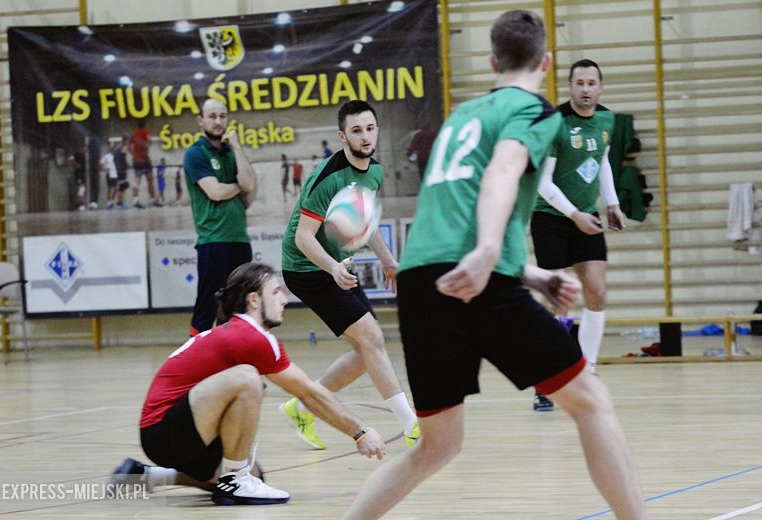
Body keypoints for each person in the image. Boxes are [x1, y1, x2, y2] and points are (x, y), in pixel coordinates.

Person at [341, 11, 647, 520]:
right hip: (475, 278)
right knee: (592, 402)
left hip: (421, 280)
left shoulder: (462, 116)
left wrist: (527, 272)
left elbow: (451, 213)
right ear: (547, 63)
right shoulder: (537, 111)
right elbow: (503, 173)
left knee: (437, 445)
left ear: (491, 62)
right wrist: (487, 254)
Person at [109, 262, 386, 506]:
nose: (284, 299)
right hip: (163, 431)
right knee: (247, 379)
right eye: (276, 292)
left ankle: (146, 476)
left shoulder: (239, 332)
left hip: (187, 433)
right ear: (253, 300)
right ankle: (234, 479)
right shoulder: (250, 335)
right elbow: (308, 393)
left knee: (256, 476)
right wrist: (359, 432)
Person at [280, 100, 420, 450]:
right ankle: (412, 425)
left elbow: (364, 222)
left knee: (366, 353)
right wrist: (333, 268)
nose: (365, 136)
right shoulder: (328, 180)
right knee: (372, 338)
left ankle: (303, 406)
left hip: (335, 266)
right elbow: (303, 237)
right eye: (356, 130)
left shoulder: (374, 172)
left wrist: (389, 261)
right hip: (306, 267)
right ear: (343, 136)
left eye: (370, 128)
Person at [530, 58, 627, 412]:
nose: (586, 89)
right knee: (558, 300)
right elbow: (541, 182)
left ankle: (587, 371)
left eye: (592, 83)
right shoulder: (555, 124)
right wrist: (574, 216)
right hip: (552, 218)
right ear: (569, 87)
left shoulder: (606, 119)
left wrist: (612, 203)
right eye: (579, 83)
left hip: (586, 218)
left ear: (600, 88)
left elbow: (600, 161)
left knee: (597, 290)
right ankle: (548, 380)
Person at [184, 98, 257, 337]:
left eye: (223, 116)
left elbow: (249, 184)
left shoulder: (230, 152)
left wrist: (237, 147)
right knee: (207, 309)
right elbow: (215, 192)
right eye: (212, 116)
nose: (218, 121)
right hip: (213, 242)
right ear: (200, 120)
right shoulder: (195, 154)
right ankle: (194, 367)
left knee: (240, 310)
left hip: (239, 241)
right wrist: (238, 185)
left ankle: (237, 366)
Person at [130, 119, 156, 208]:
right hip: (145, 160)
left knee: (137, 180)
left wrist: (133, 154)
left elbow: (128, 146)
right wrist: (146, 149)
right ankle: (153, 200)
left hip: (136, 161)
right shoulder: (145, 132)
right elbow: (150, 140)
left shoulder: (134, 134)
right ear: (145, 125)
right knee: (150, 180)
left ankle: (135, 201)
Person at [99, 141, 118, 209]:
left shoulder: (117, 157)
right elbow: (101, 165)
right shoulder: (106, 156)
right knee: (110, 188)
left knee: (115, 189)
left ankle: (111, 202)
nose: (115, 150)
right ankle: (108, 203)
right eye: (114, 149)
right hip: (109, 174)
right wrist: (106, 170)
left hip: (115, 174)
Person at [113, 137, 130, 209]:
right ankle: (120, 203)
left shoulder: (117, 147)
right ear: (126, 141)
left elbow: (114, 158)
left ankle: (119, 202)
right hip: (122, 169)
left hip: (117, 168)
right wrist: (127, 166)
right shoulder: (124, 147)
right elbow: (123, 158)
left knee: (121, 186)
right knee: (124, 185)